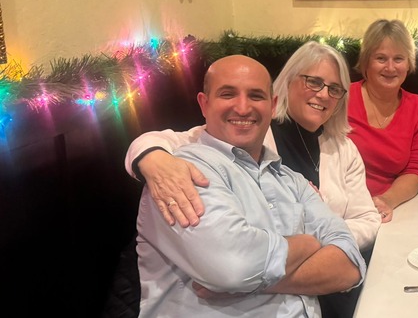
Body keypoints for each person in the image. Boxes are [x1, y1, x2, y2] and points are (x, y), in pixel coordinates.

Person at [126, 43, 379, 317]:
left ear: (271, 104)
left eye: (334, 88)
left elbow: (350, 266)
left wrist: (258, 280)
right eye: (314, 82)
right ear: (204, 103)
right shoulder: (185, 170)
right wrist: (311, 242)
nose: (243, 107)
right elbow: (234, 265)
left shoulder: (289, 177)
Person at [348, 19, 418, 223]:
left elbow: (415, 169)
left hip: (390, 210)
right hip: (342, 209)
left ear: (409, 63)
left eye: (399, 59)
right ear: (366, 61)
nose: (390, 67)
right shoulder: (342, 97)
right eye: (381, 58)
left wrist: (387, 200)